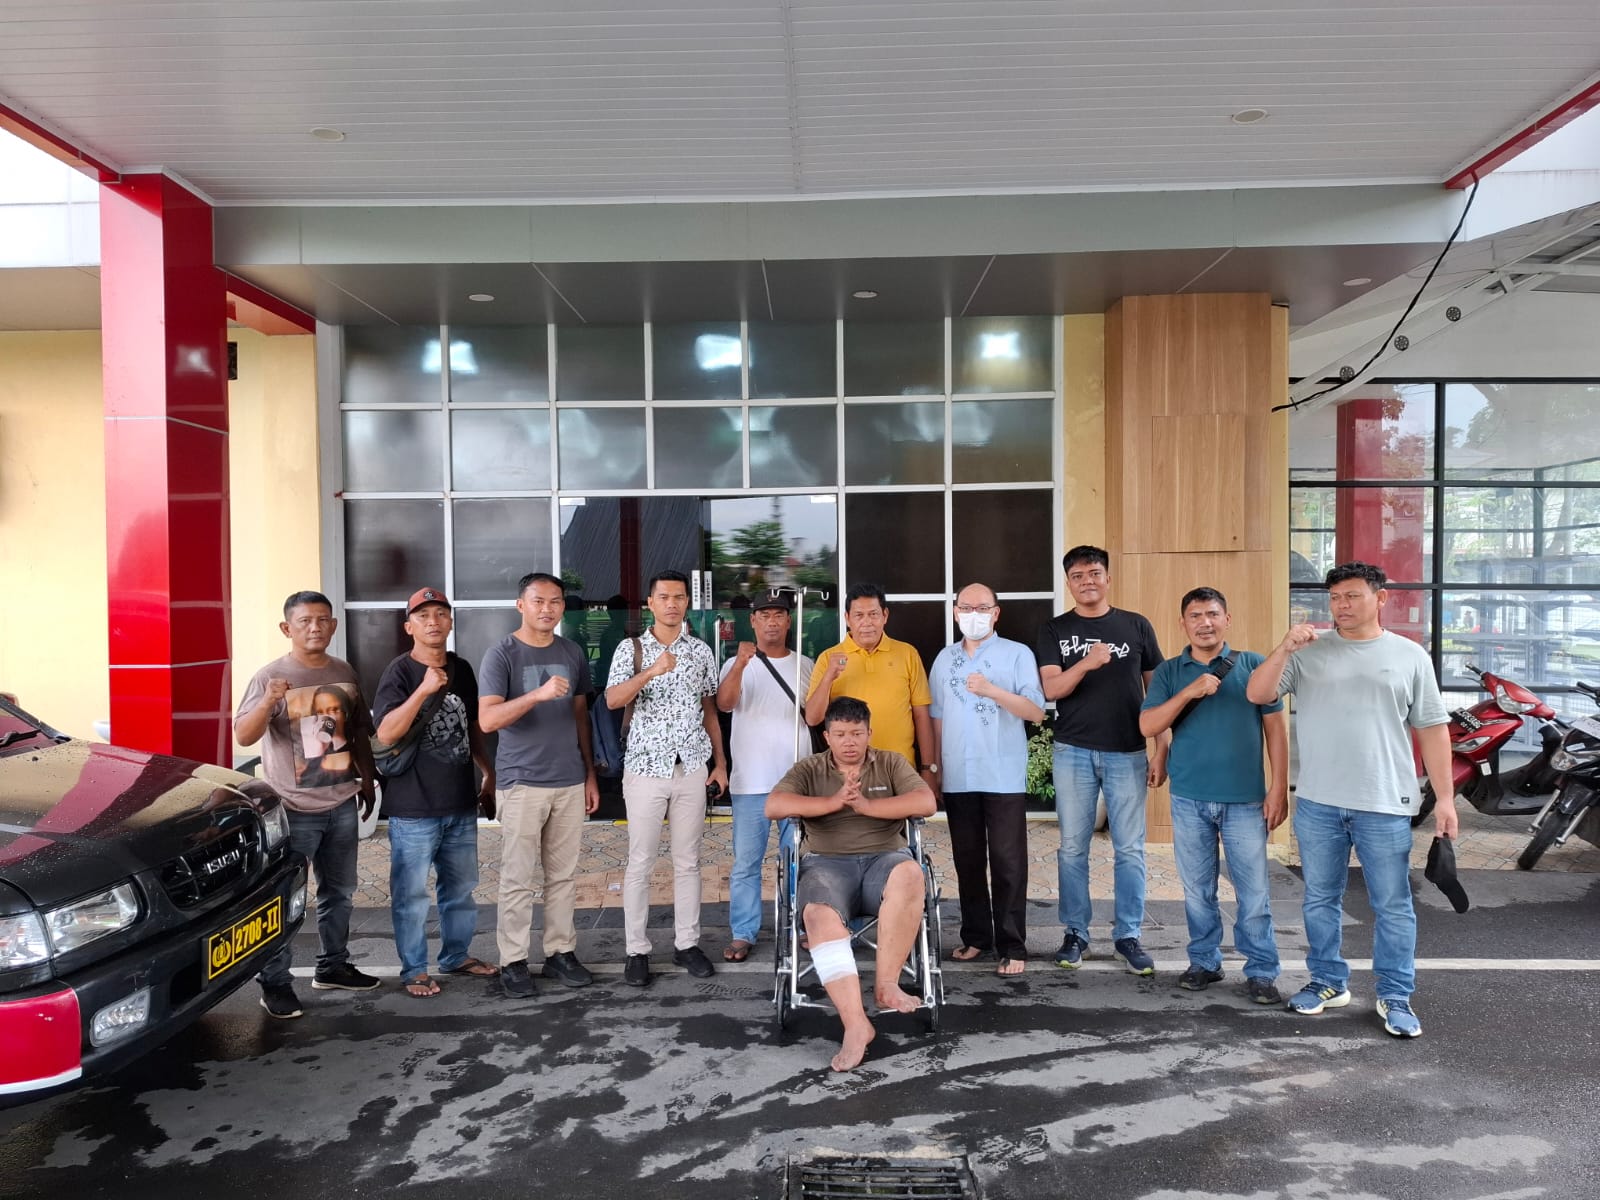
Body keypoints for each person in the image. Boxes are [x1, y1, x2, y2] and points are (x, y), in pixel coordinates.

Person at [1247, 561, 1457, 1039]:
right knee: (1320, 900)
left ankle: (1395, 995)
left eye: (1352, 596)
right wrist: (1284, 647)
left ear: (1381, 598)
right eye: (1335, 597)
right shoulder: (1308, 651)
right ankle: (1327, 981)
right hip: (1319, 802)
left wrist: (1444, 799)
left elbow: (1432, 729)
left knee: (1393, 904)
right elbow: (1258, 693)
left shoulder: (1409, 656)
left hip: (1384, 802)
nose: (1341, 605)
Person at [767, 697, 937, 1072]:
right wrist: (834, 802)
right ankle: (856, 1024)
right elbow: (774, 806)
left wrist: (867, 807)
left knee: (911, 872)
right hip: (827, 863)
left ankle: (887, 985)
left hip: (884, 859)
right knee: (817, 915)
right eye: (841, 734)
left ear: (869, 733)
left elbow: (925, 801)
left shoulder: (890, 763)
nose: (849, 741)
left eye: (856, 733)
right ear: (827, 736)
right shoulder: (809, 768)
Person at [235, 590, 380, 1018]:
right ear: (287, 628)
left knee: (340, 893)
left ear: (333, 625)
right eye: (304, 621)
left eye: (322, 620)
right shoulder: (270, 676)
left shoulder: (343, 671)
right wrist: (269, 700)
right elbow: (243, 735)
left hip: (341, 804)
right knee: (284, 898)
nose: (314, 628)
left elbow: (357, 730)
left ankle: (333, 967)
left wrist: (367, 779)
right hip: (293, 809)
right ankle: (275, 983)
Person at [1139, 587, 1288, 1004]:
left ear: (1227, 619)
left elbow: (1276, 731)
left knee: (1253, 892)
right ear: (1182, 624)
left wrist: (1278, 787)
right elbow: (1148, 725)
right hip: (1188, 798)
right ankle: (1204, 961)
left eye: (1212, 614)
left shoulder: (1254, 665)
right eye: (1195, 616)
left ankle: (1261, 970)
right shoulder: (1170, 671)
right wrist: (1189, 692)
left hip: (1245, 800)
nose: (1204, 623)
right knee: (1197, 889)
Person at [1035, 546, 1166, 975]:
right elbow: (1052, 690)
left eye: (1094, 573)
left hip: (1128, 750)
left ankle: (1128, 935)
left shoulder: (1136, 625)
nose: (1087, 581)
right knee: (1073, 848)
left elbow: (1157, 693)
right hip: (1072, 750)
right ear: (1068, 583)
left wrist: (1161, 748)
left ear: (1108, 578)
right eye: (1077, 575)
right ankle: (1076, 933)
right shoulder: (1055, 629)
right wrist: (1087, 662)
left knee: (1130, 849)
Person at [479, 572, 601, 998]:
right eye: (538, 601)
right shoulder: (502, 654)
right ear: (521, 605)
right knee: (517, 877)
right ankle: (513, 960)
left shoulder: (571, 651)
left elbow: (580, 715)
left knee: (563, 876)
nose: (547, 609)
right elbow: (488, 720)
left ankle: (560, 952)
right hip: (522, 781)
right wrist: (536, 695)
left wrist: (589, 773)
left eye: (555, 601)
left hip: (569, 779)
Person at [370, 588, 497, 998]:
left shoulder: (462, 668)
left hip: (459, 802)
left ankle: (455, 956)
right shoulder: (399, 672)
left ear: (450, 622)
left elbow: (472, 727)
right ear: (409, 626)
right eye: (423, 616)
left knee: (460, 889)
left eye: (440, 613)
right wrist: (424, 690)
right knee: (411, 895)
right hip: (413, 808)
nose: (433, 621)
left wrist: (488, 773)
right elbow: (386, 732)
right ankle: (413, 971)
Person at [605, 569, 729, 987]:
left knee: (688, 861)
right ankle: (636, 950)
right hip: (645, 768)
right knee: (640, 861)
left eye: (679, 597)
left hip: (691, 766)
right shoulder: (631, 649)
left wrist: (720, 763)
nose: (672, 604)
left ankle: (687, 944)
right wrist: (651, 671)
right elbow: (612, 700)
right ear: (650, 603)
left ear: (687, 603)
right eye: (664, 597)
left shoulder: (701, 651)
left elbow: (709, 710)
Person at [928, 582, 1045, 975]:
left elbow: (1035, 711)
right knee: (968, 860)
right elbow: (937, 717)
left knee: (1008, 862)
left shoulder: (1017, 654)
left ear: (996, 613)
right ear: (955, 612)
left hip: (1002, 773)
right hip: (959, 774)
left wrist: (993, 690)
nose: (973, 614)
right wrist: (935, 768)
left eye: (982, 608)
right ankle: (976, 936)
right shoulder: (944, 659)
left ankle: (1012, 945)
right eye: (966, 607)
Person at [715, 587, 815, 962]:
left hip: (797, 782)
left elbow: (815, 715)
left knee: (799, 861)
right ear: (753, 621)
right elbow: (725, 704)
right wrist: (741, 664)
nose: (772, 622)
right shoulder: (735, 663)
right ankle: (743, 932)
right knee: (746, 864)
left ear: (789, 621)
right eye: (765, 615)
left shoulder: (806, 665)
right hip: (751, 782)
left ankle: (800, 925)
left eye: (779, 615)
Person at [804, 582, 937, 794]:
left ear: (885, 615)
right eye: (859, 615)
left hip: (900, 770)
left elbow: (921, 715)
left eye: (873, 614)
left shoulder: (907, 654)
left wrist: (928, 769)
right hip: (847, 775)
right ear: (847, 618)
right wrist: (829, 676)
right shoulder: (828, 658)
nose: (867, 622)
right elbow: (812, 718)